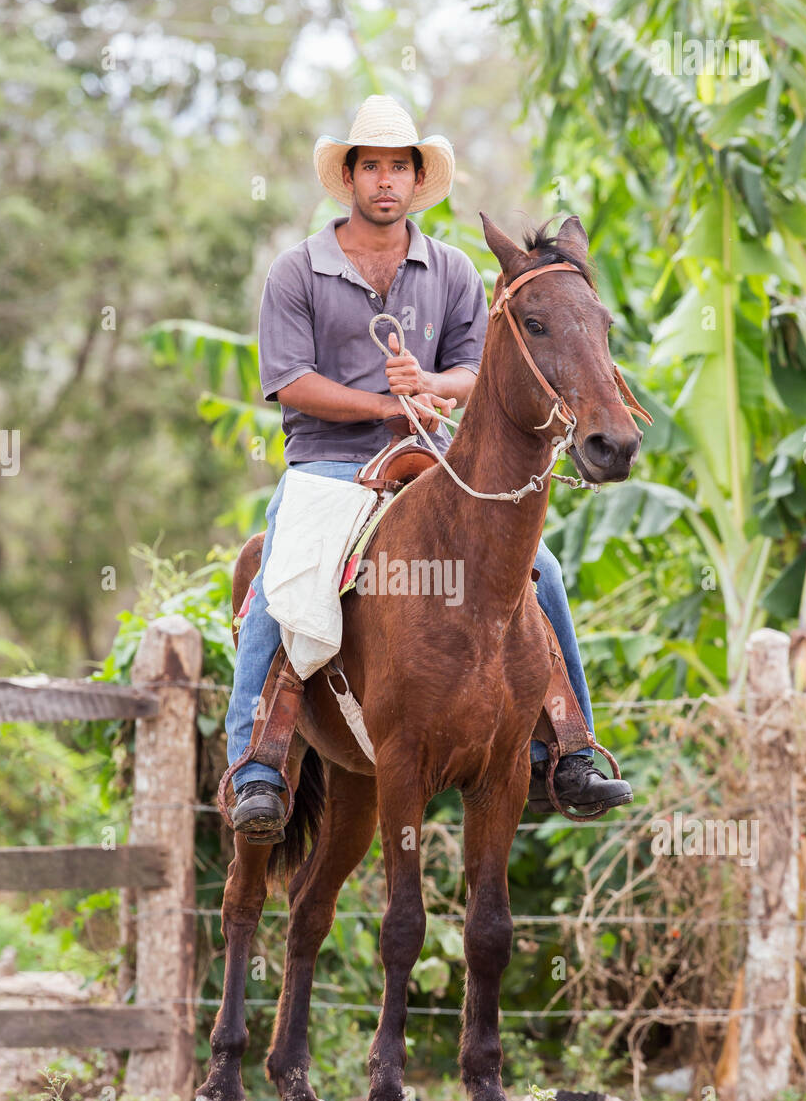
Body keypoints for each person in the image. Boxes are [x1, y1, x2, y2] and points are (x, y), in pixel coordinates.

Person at [225, 95, 632, 841]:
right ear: (348, 177)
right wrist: (381, 404)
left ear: (418, 181)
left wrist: (432, 386)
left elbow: (480, 374)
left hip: (433, 459)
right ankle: (255, 762)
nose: (385, 180)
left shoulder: (449, 270)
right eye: (371, 166)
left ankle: (569, 748)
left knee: (542, 569)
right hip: (327, 463)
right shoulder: (297, 270)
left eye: (399, 167)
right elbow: (289, 380)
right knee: (282, 576)